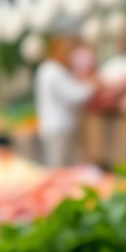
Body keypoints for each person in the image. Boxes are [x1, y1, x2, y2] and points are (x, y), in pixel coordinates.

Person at [35, 36, 96, 169]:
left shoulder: (46, 69)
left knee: (61, 167)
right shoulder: (54, 71)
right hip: (60, 128)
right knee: (60, 168)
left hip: (54, 126)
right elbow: (74, 95)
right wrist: (92, 86)